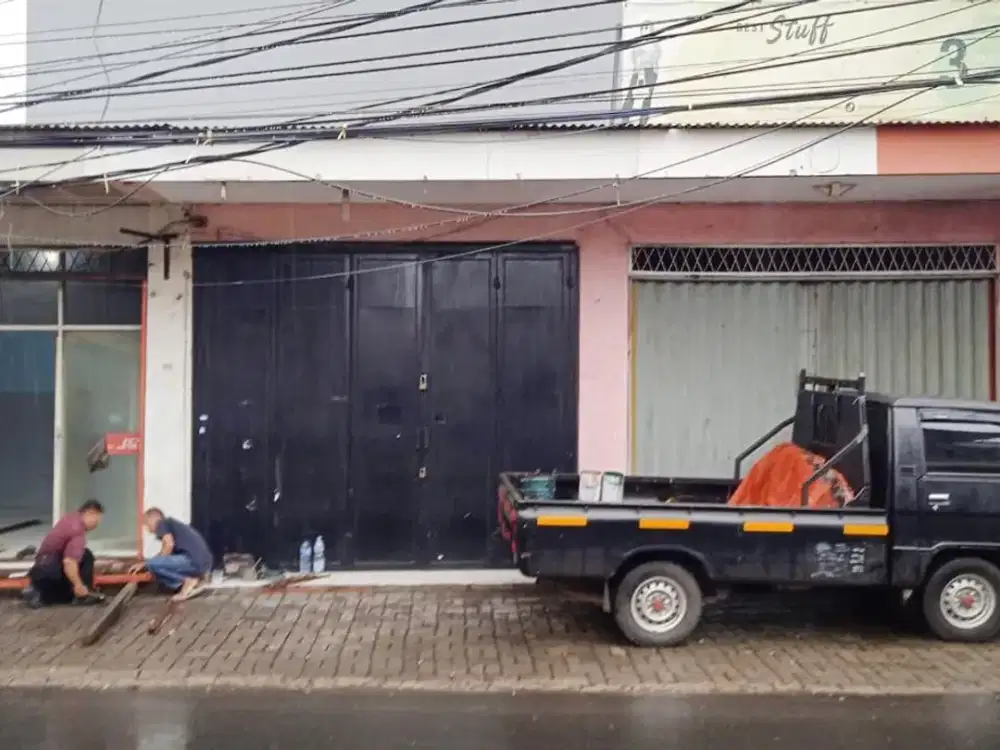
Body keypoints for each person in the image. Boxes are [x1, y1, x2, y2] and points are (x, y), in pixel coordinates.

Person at [24, 499, 107, 609]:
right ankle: (44, 595)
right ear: (90, 513)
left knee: (84, 554)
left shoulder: (69, 519)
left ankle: (38, 589)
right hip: (50, 573)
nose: (97, 523)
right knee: (87, 556)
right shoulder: (78, 530)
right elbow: (69, 562)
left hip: (41, 568)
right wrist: (79, 586)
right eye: (98, 519)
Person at [131, 508, 212, 601]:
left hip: (193, 560)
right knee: (155, 568)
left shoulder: (163, 523)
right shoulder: (175, 528)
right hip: (203, 563)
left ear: (153, 518)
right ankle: (192, 583)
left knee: (152, 564)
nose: (147, 528)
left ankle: (187, 581)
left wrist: (147, 564)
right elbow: (168, 555)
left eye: (146, 523)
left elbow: (169, 545)